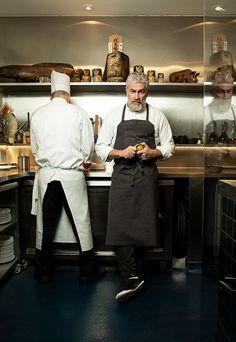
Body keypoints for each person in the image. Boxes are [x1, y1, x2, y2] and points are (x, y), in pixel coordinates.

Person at [95, 72, 175, 303]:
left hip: (146, 176)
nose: (137, 97)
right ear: (126, 91)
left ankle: (133, 275)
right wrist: (121, 152)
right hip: (121, 176)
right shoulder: (113, 116)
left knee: (142, 224)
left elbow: (169, 146)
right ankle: (129, 275)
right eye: (133, 91)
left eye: (141, 91)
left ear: (147, 92)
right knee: (120, 224)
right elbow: (101, 148)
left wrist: (153, 152)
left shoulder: (157, 115)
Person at [30, 70, 105, 284]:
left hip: (46, 175)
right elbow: (87, 149)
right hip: (72, 175)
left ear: (51, 95)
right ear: (68, 95)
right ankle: (87, 271)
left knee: (45, 226)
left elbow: (35, 149)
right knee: (81, 224)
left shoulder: (38, 114)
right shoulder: (78, 113)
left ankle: (43, 272)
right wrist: (85, 161)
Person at [204, 70, 236, 166]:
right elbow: (195, 145)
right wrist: (209, 152)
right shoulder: (204, 112)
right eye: (221, 92)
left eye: (229, 91)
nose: (225, 97)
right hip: (210, 167)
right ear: (214, 92)